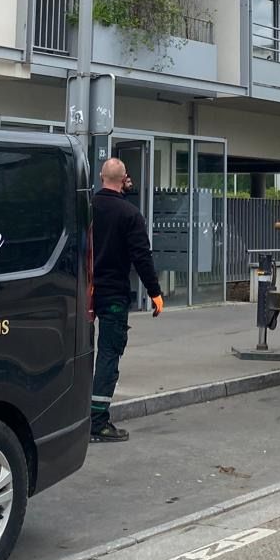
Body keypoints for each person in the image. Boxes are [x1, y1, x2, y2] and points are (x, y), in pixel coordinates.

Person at [90, 157, 163, 443]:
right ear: (123, 179)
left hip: (83, 292)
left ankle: (76, 416)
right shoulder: (130, 214)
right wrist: (155, 293)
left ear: (100, 176)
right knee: (108, 354)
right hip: (113, 295)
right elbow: (141, 257)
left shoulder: (87, 208)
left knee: (80, 355)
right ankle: (98, 422)